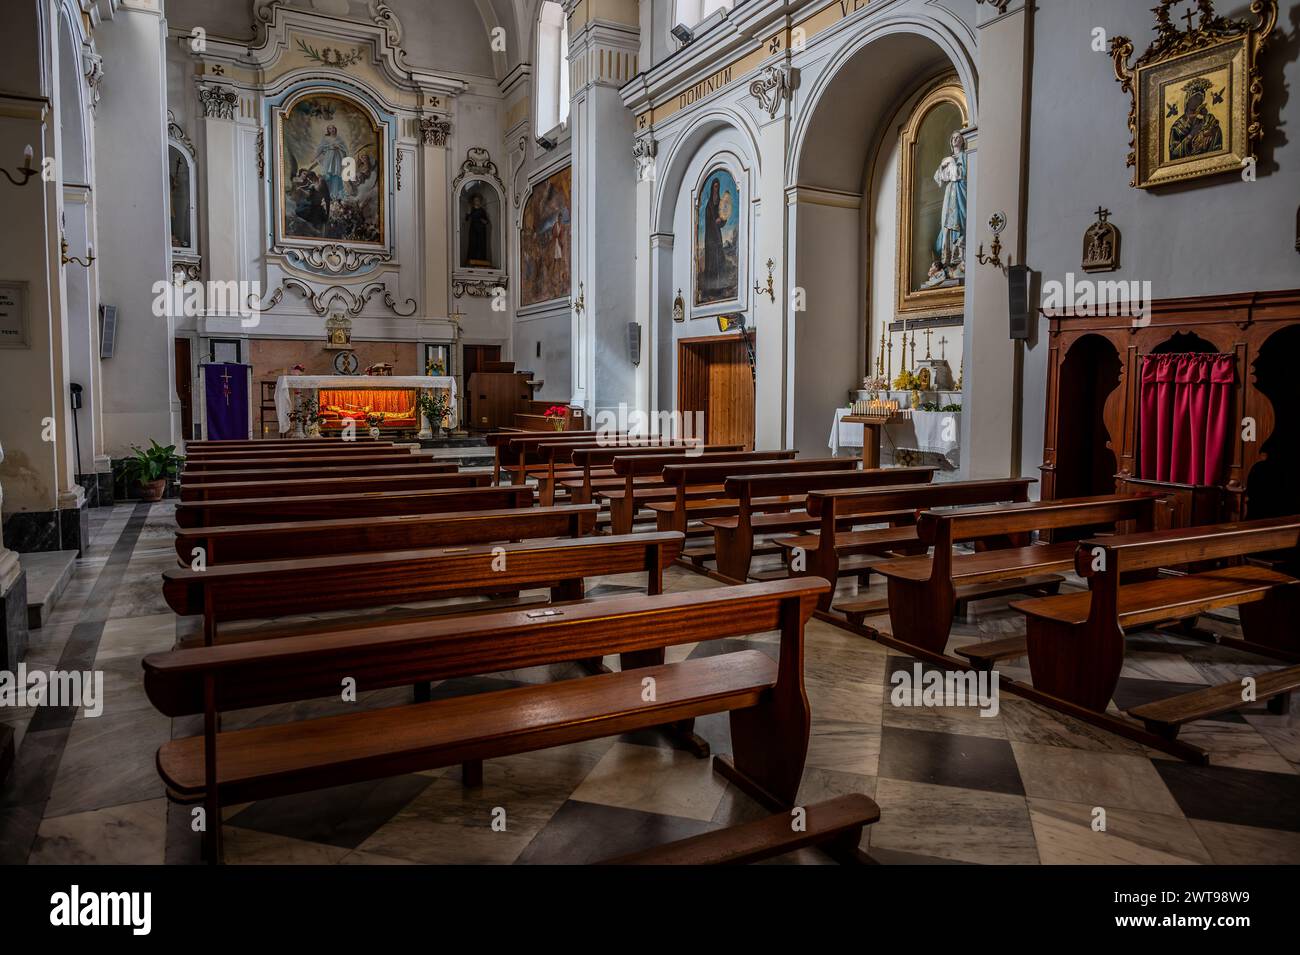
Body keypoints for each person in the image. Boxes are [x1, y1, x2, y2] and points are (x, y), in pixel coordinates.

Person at [923, 130, 967, 289]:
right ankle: (945, 261)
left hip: (959, 192)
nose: (955, 140)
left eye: (958, 137)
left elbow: (959, 175)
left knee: (958, 223)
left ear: (962, 141)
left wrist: (952, 163)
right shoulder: (948, 159)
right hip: (950, 193)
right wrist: (944, 163)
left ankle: (959, 259)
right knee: (946, 225)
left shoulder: (964, 156)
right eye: (953, 138)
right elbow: (939, 177)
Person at [1168, 77, 1223, 161]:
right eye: (1195, 98)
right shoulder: (1178, 127)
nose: (1197, 101)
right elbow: (1174, 154)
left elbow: (1214, 133)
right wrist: (1191, 134)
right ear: (1188, 100)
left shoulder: (1206, 120)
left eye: (1200, 99)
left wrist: (1209, 126)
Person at [465, 193, 492, 267]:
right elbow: (466, 219)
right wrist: (468, 212)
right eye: (476, 200)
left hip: (481, 230)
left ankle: (481, 260)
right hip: (473, 229)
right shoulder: (471, 209)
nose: (477, 202)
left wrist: (484, 221)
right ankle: (472, 259)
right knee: (473, 244)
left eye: (478, 200)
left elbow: (486, 221)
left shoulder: (482, 210)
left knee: (481, 244)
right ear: (473, 201)